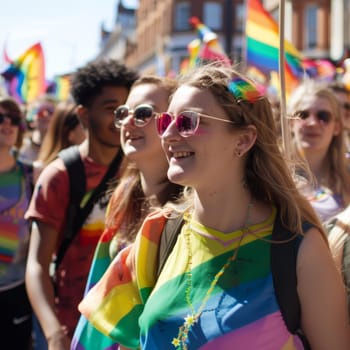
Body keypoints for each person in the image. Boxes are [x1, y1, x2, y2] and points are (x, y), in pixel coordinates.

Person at [79, 64, 350, 349]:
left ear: (243, 140)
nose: (168, 134)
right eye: (165, 122)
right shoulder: (156, 236)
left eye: (188, 122)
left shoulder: (299, 248)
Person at [25, 59, 138, 350]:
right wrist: (53, 332)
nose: (122, 118)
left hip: (122, 328)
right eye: (112, 109)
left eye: (127, 109)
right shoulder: (60, 176)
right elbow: (37, 265)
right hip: (71, 326)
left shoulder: (138, 170)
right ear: (84, 116)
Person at [71, 75, 183, 350]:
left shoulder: (191, 206)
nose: (129, 121)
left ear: (170, 123)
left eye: (143, 113)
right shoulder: (122, 195)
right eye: (123, 113)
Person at [288, 81, 350, 222]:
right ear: (291, 123)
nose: (312, 123)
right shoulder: (270, 175)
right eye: (303, 115)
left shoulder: (347, 179)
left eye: (323, 116)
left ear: (337, 127)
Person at [0, 97, 33, 349]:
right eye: (0, 118)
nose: (7, 124)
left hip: (16, 290)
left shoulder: (32, 174)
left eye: (14, 119)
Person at [33, 100, 86, 183]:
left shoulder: (92, 167)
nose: (91, 131)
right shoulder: (43, 172)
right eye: (84, 126)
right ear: (69, 133)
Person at [18, 94, 57, 165]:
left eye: (51, 111)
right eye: (40, 112)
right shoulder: (22, 146)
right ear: (32, 118)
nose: (46, 115)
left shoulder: (63, 144)